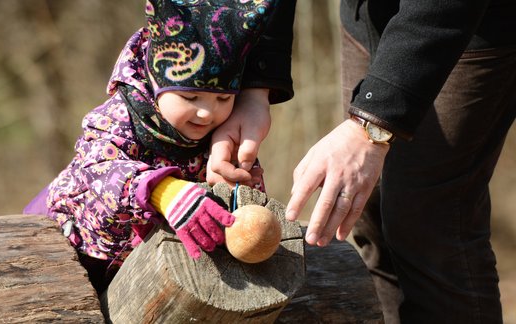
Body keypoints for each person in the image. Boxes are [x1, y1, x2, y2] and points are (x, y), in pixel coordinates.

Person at [210, 0, 516, 322]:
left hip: (466, 23)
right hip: (368, 14)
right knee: (368, 210)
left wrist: (372, 124)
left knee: (426, 224)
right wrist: (256, 86)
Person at [23, 0, 293, 294]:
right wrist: (165, 193)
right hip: (63, 250)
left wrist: (238, 195)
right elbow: (100, 171)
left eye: (223, 99)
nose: (207, 113)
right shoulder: (118, 119)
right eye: (190, 98)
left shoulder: (220, 133)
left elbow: (237, 204)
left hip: (140, 271)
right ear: (155, 81)